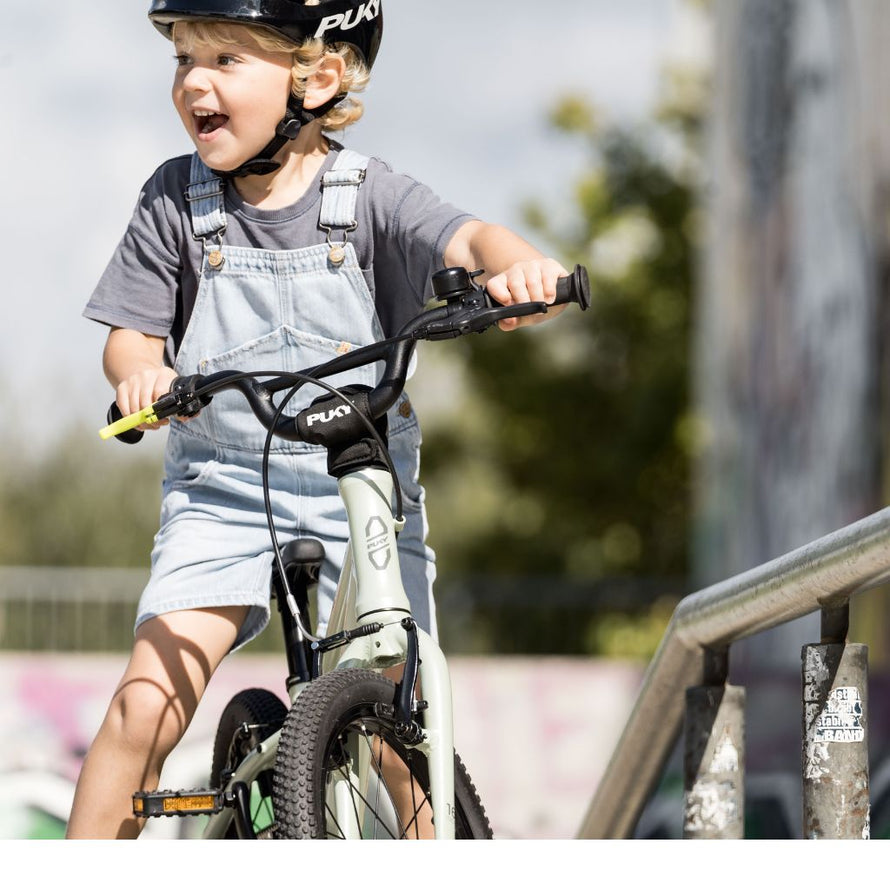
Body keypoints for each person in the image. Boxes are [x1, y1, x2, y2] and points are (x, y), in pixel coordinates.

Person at [67, 0, 568, 839]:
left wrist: (518, 270)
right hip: (222, 491)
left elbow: (466, 238)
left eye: (226, 58)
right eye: (183, 58)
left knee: (405, 742)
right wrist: (140, 374)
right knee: (142, 706)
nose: (194, 80)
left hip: (358, 491)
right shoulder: (175, 201)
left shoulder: (370, 197)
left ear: (318, 77)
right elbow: (131, 335)